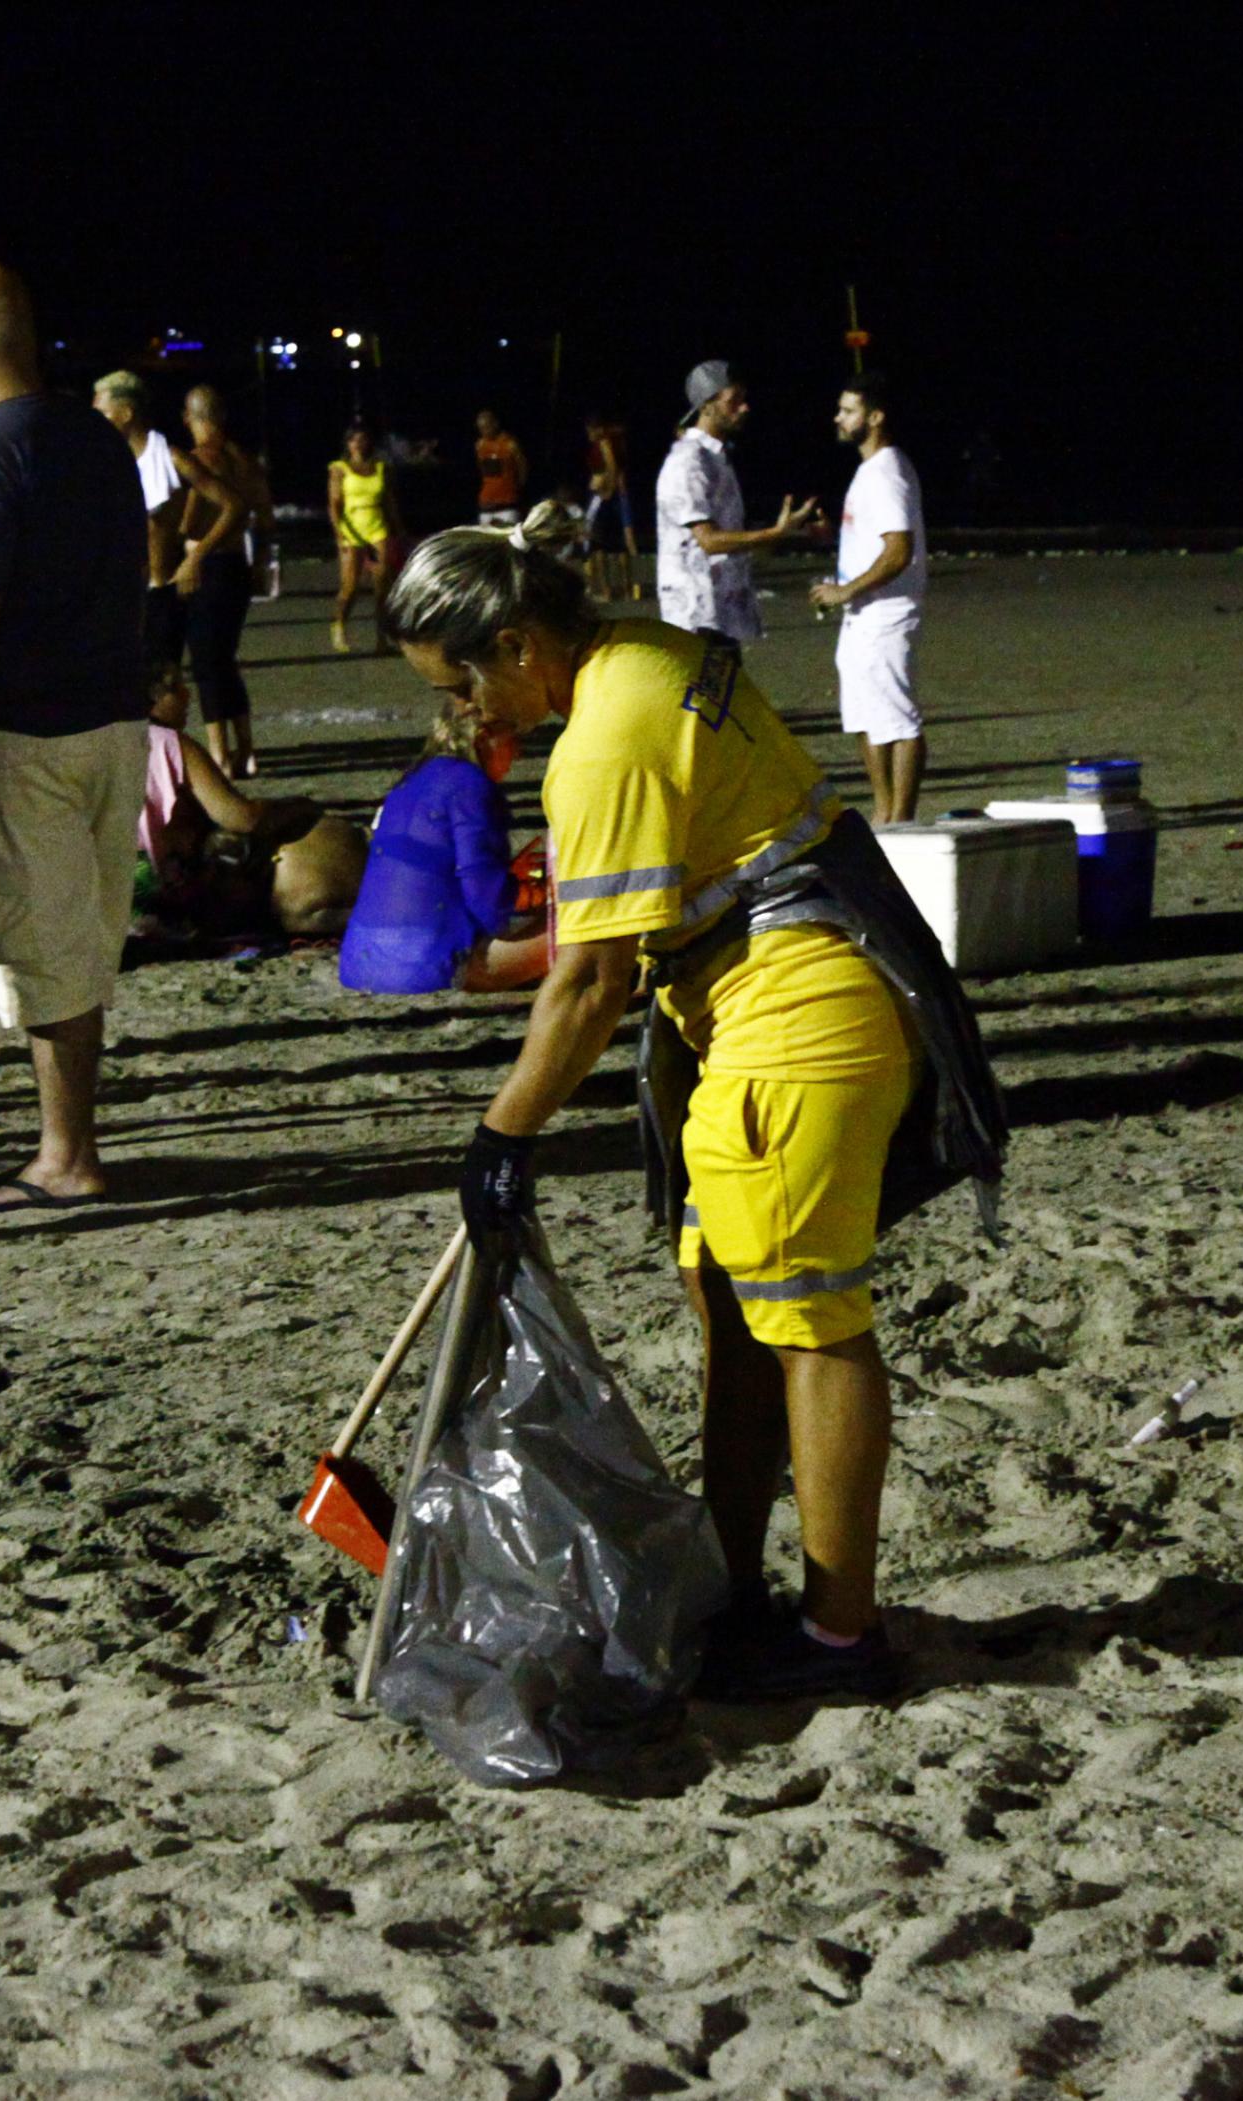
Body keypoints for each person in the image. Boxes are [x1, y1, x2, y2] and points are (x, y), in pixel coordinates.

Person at [385, 529, 1005, 1703]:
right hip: (774, 973)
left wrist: (501, 1135)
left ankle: (839, 1638)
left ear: (516, 642)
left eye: (460, 684)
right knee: (731, 1297)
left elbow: (593, 982)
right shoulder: (643, 652)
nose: (463, 714)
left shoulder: (605, 736)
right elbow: (609, 932)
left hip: (795, 1000)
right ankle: (734, 1585)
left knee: (810, 1320)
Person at [0, 261, 150, 1212]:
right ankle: (70, 1142)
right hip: (114, 722)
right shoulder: (93, 438)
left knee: (36, 946)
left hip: (22, 730)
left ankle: (66, 1158)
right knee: (82, 942)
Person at [339, 692, 549, 995]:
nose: (519, 754)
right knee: (578, 924)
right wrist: (530, 893)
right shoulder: (472, 787)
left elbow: (425, 868)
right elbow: (486, 902)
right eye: (513, 739)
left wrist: (507, 879)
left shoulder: (411, 779)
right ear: (484, 737)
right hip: (432, 969)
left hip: (360, 962)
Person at [91, 370, 246, 725]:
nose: (96, 420)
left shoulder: (170, 458)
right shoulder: (108, 465)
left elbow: (233, 504)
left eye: (103, 412)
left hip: (160, 594)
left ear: (127, 413)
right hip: (120, 596)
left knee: (162, 686)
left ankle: (174, 758)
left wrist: (197, 555)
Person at [810, 374, 928, 825]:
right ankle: (884, 813)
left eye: (848, 410)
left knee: (897, 720)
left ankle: (901, 818)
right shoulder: (868, 471)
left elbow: (899, 549)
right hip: (861, 615)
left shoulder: (888, 471)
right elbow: (873, 542)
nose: (838, 418)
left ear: (875, 417)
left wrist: (847, 589)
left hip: (887, 614)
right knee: (864, 715)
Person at [136, 717, 359, 940]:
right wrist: (302, 806)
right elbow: (244, 817)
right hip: (177, 912)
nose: (185, 695)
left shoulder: (105, 743)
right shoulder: (159, 740)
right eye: (174, 686)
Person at [655, 359, 818, 645]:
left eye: (744, 399)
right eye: (734, 401)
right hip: (697, 617)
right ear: (705, 406)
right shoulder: (689, 462)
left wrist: (795, 534)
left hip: (722, 613)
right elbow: (709, 540)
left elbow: (727, 537)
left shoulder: (716, 457)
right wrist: (773, 533)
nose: (744, 408)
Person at [179, 384, 274, 780]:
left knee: (206, 665)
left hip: (204, 566)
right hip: (238, 564)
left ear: (193, 417)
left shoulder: (198, 463)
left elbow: (187, 523)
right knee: (226, 660)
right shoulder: (245, 460)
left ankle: (220, 755)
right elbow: (265, 519)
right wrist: (262, 565)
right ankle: (247, 750)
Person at [327, 420, 405, 656]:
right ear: (347, 443)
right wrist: (339, 533)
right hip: (352, 527)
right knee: (351, 586)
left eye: (362, 439)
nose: (358, 444)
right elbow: (334, 504)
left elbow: (388, 500)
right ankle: (339, 625)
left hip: (377, 525)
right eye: (353, 440)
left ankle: (381, 637)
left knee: (382, 586)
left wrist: (399, 528)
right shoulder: (340, 468)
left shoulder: (381, 467)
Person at [584, 411, 637, 601]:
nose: (588, 434)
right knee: (614, 546)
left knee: (599, 545)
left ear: (598, 429)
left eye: (590, 430)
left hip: (604, 496)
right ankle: (625, 589)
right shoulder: (613, 440)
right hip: (605, 494)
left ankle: (609, 590)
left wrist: (608, 489)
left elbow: (611, 466)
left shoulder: (604, 442)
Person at [473, 408, 527, 526]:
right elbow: (482, 471)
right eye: (481, 428)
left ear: (496, 424)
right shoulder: (480, 445)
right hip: (486, 503)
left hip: (507, 503)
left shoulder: (510, 444)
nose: (484, 431)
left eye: (487, 427)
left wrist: (517, 489)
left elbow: (522, 469)